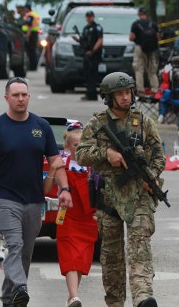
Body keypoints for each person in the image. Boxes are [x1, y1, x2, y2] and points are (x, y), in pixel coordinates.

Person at [0, 77, 72, 307]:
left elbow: (55, 161)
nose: (21, 99)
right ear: (7, 98)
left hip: (34, 201)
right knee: (13, 245)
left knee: (25, 254)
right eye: (16, 95)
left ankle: (12, 300)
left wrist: (65, 188)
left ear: (29, 96)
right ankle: (21, 288)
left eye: (24, 95)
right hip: (5, 199)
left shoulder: (41, 127)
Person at [76, 72, 165, 307]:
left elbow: (158, 157)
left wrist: (152, 177)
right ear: (109, 97)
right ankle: (115, 302)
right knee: (112, 258)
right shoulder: (97, 124)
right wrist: (107, 154)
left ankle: (143, 297)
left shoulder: (144, 123)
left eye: (128, 92)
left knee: (140, 249)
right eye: (119, 94)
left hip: (139, 197)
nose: (125, 98)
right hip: (109, 199)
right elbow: (81, 154)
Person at [43, 122, 98, 307]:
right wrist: (52, 170)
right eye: (76, 145)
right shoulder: (61, 164)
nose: (80, 149)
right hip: (68, 216)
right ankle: (74, 295)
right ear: (67, 146)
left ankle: (72, 297)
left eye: (84, 145)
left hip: (89, 218)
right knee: (70, 257)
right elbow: (47, 188)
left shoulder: (93, 167)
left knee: (82, 258)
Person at [72, 10, 103, 101]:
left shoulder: (97, 28)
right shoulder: (86, 28)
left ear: (93, 17)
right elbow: (83, 41)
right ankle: (89, 93)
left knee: (93, 74)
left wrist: (92, 51)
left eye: (90, 16)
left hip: (94, 55)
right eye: (87, 16)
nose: (89, 18)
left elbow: (100, 40)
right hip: (86, 54)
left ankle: (92, 94)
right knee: (87, 74)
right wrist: (77, 40)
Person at [130, 7, 160, 96]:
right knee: (152, 70)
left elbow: (131, 37)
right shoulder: (153, 24)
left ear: (139, 14)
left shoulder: (135, 24)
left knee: (139, 69)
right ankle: (155, 89)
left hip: (140, 48)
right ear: (147, 14)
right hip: (152, 49)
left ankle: (141, 90)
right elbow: (158, 37)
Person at [21, 3, 40, 71]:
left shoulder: (30, 15)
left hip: (31, 34)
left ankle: (32, 66)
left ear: (27, 8)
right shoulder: (35, 13)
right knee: (33, 50)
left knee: (30, 51)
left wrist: (27, 36)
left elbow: (29, 25)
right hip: (34, 34)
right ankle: (33, 66)